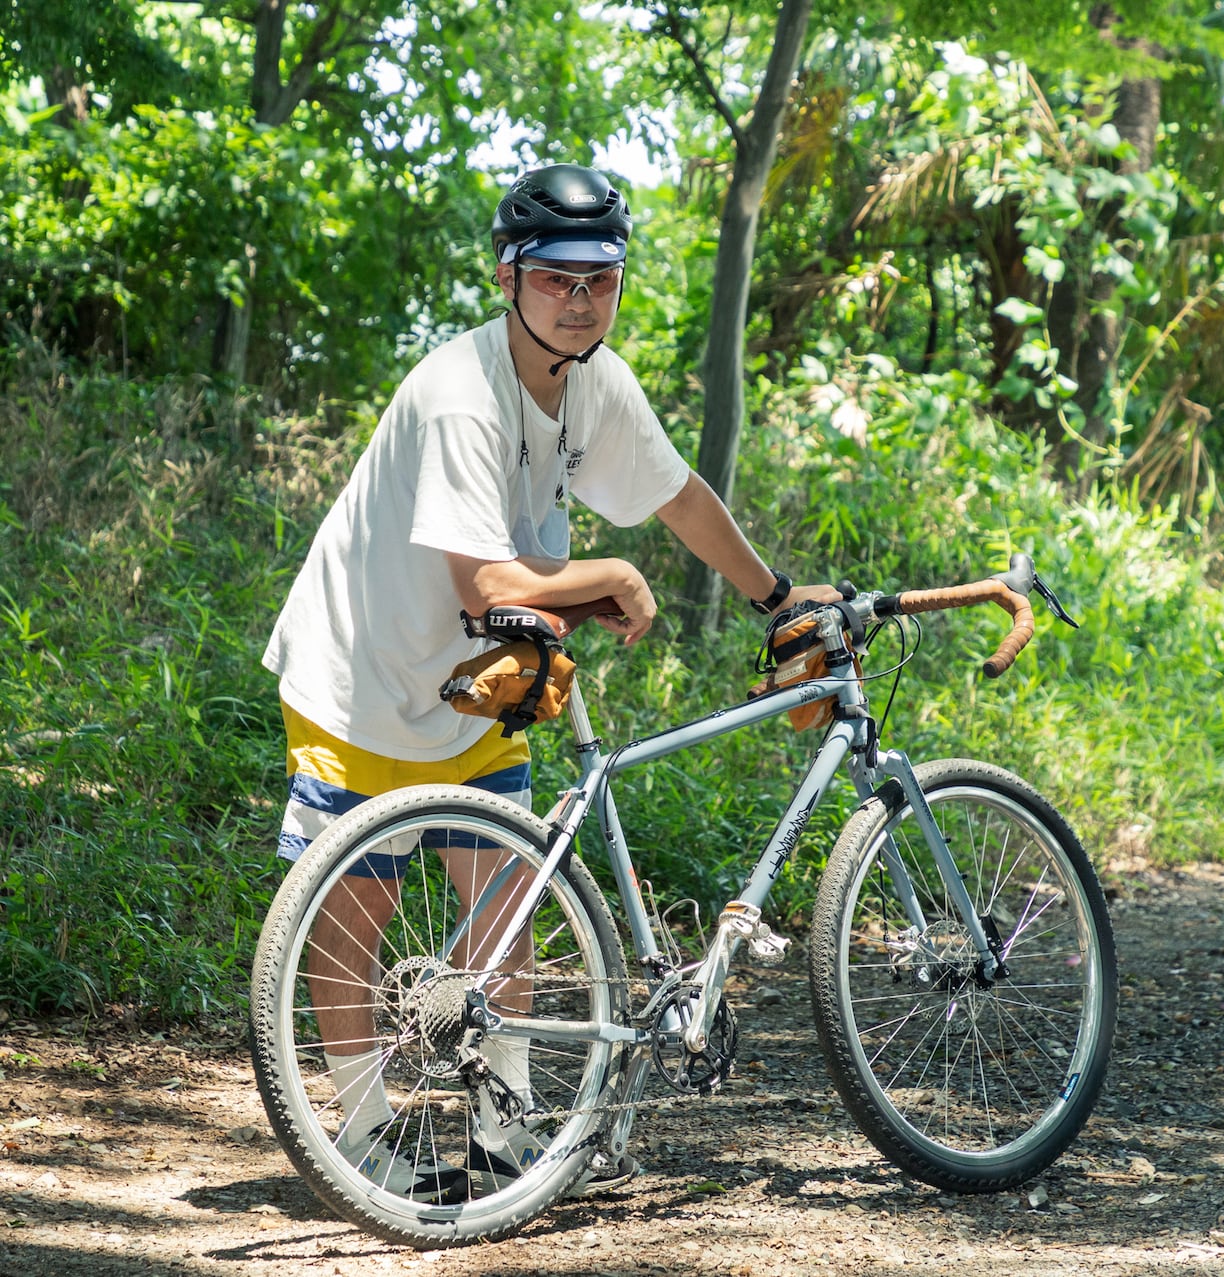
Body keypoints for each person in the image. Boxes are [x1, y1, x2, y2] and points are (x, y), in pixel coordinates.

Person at [262, 162, 840, 1202]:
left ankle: (501, 1126)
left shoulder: (594, 383)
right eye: (555, 278)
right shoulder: (457, 396)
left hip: (480, 675)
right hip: (359, 663)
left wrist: (777, 596)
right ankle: (355, 1127)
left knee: (506, 897)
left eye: (601, 279)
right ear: (508, 276)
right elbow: (484, 581)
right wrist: (608, 576)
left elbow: (678, 494)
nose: (579, 299)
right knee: (357, 902)